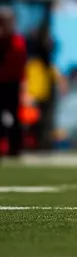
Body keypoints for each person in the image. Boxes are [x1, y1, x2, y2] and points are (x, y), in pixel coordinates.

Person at [0, 9, 26, 157]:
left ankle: (14, 148)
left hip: (12, 83)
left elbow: (20, 65)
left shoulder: (17, 41)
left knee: (14, 117)